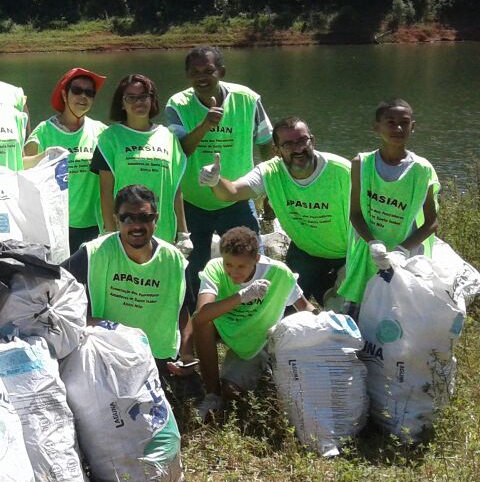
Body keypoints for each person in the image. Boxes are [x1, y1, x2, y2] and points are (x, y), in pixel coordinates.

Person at [166, 46, 272, 309]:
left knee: (250, 259)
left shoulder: (247, 99)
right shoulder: (177, 104)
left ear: (221, 72)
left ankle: (253, 313)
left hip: (236, 199)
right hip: (194, 201)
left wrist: (270, 193)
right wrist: (205, 125)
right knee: (194, 266)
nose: (202, 77)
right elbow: (182, 150)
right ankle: (195, 320)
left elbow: (267, 142)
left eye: (208, 71)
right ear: (188, 76)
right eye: (195, 72)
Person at [203, 118, 350, 303]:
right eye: (288, 144)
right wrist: (215, 180)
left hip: (347, 254)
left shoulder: (342, 171)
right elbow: (231, 192)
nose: (297, 149)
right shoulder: (269, 172)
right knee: (282, 307)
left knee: (348, 312)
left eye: (302, 141)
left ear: (312, 140)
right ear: (276, 150)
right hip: (305, 251)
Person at [60, 185, 193, 374]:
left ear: (156, 219)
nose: (137, 226)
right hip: (106, 353)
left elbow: (183, 309)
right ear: (116, 219)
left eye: (145, 218)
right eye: (127, 218)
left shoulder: (175, 260)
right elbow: (56, 282)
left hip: (155, 357)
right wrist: (85, 320)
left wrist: (187, 352)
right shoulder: (94, 253)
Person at [191, 226, 314, 421]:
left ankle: (263, 369)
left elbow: (305, 307)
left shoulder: (278, 273)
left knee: (232, 393)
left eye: (241, 266)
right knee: (202, 323)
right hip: (224, 326)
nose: (233, 272)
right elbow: (200, 316)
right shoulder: (215, 267)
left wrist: (326, 325)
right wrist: (242, 296)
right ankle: (211, 394)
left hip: (255, 337)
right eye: (228, 264)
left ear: (256, 260)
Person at [336, 98, 439, 309]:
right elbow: (355, 213)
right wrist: (373, 243)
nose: (398, 128)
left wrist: (402, 250)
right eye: (390, 122)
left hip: (405, 257)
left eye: (405, 122)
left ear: (413, 127)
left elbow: (431, 222)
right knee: (359, 310)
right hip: (367, 253)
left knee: (398, 315)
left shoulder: (422, 170)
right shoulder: (362, 164)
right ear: (376, 127)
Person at [91, 74, 190, 247]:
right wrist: (109, 231)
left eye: (144, 96)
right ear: (121, 103)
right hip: (124, 232)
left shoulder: (168, 137)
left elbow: (175, 190)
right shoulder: (110, 138)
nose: (139, 102)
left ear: (152, 100)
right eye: (131, 97)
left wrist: (183, 233)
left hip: (162, 232)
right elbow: (105, 192)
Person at [25, 67, 108, 252]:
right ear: (64, 94)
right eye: (77, 91)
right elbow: (22, 169)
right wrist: (46, 155)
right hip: (55, 227)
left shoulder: (101, 132)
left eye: (89, 93)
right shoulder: (44, 131)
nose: (83, 97)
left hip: (94, 224)